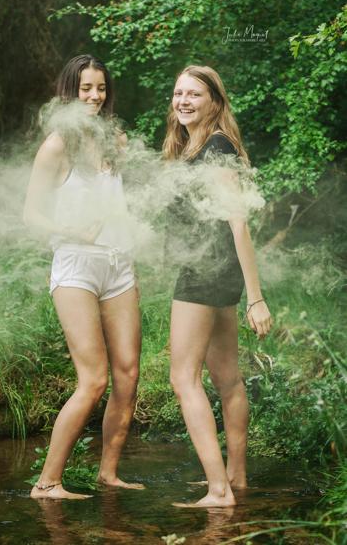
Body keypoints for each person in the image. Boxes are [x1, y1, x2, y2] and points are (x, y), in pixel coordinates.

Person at [24, 54, 143, 499]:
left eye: (100, 89)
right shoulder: (57, 145)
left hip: (119, 264)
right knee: (94, 379)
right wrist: (70, 229)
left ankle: (108, 474)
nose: (94, 97)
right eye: (85, 89)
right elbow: (31, 214)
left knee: (128, 374)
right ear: (69, 92)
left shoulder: (115, 141)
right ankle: (47, 482)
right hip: (75, 264)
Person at [163, 65, 272, 508]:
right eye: (178, 94)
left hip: (205, 273)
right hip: (213, 269)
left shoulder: (216, 149)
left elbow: (238, 222)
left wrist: (257, 296)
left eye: (194, 94)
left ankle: (218, 491)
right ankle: (236, 477)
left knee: (182, 378)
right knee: (227, 378)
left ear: (214, 101)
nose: (184, 101)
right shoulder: (196, 147)